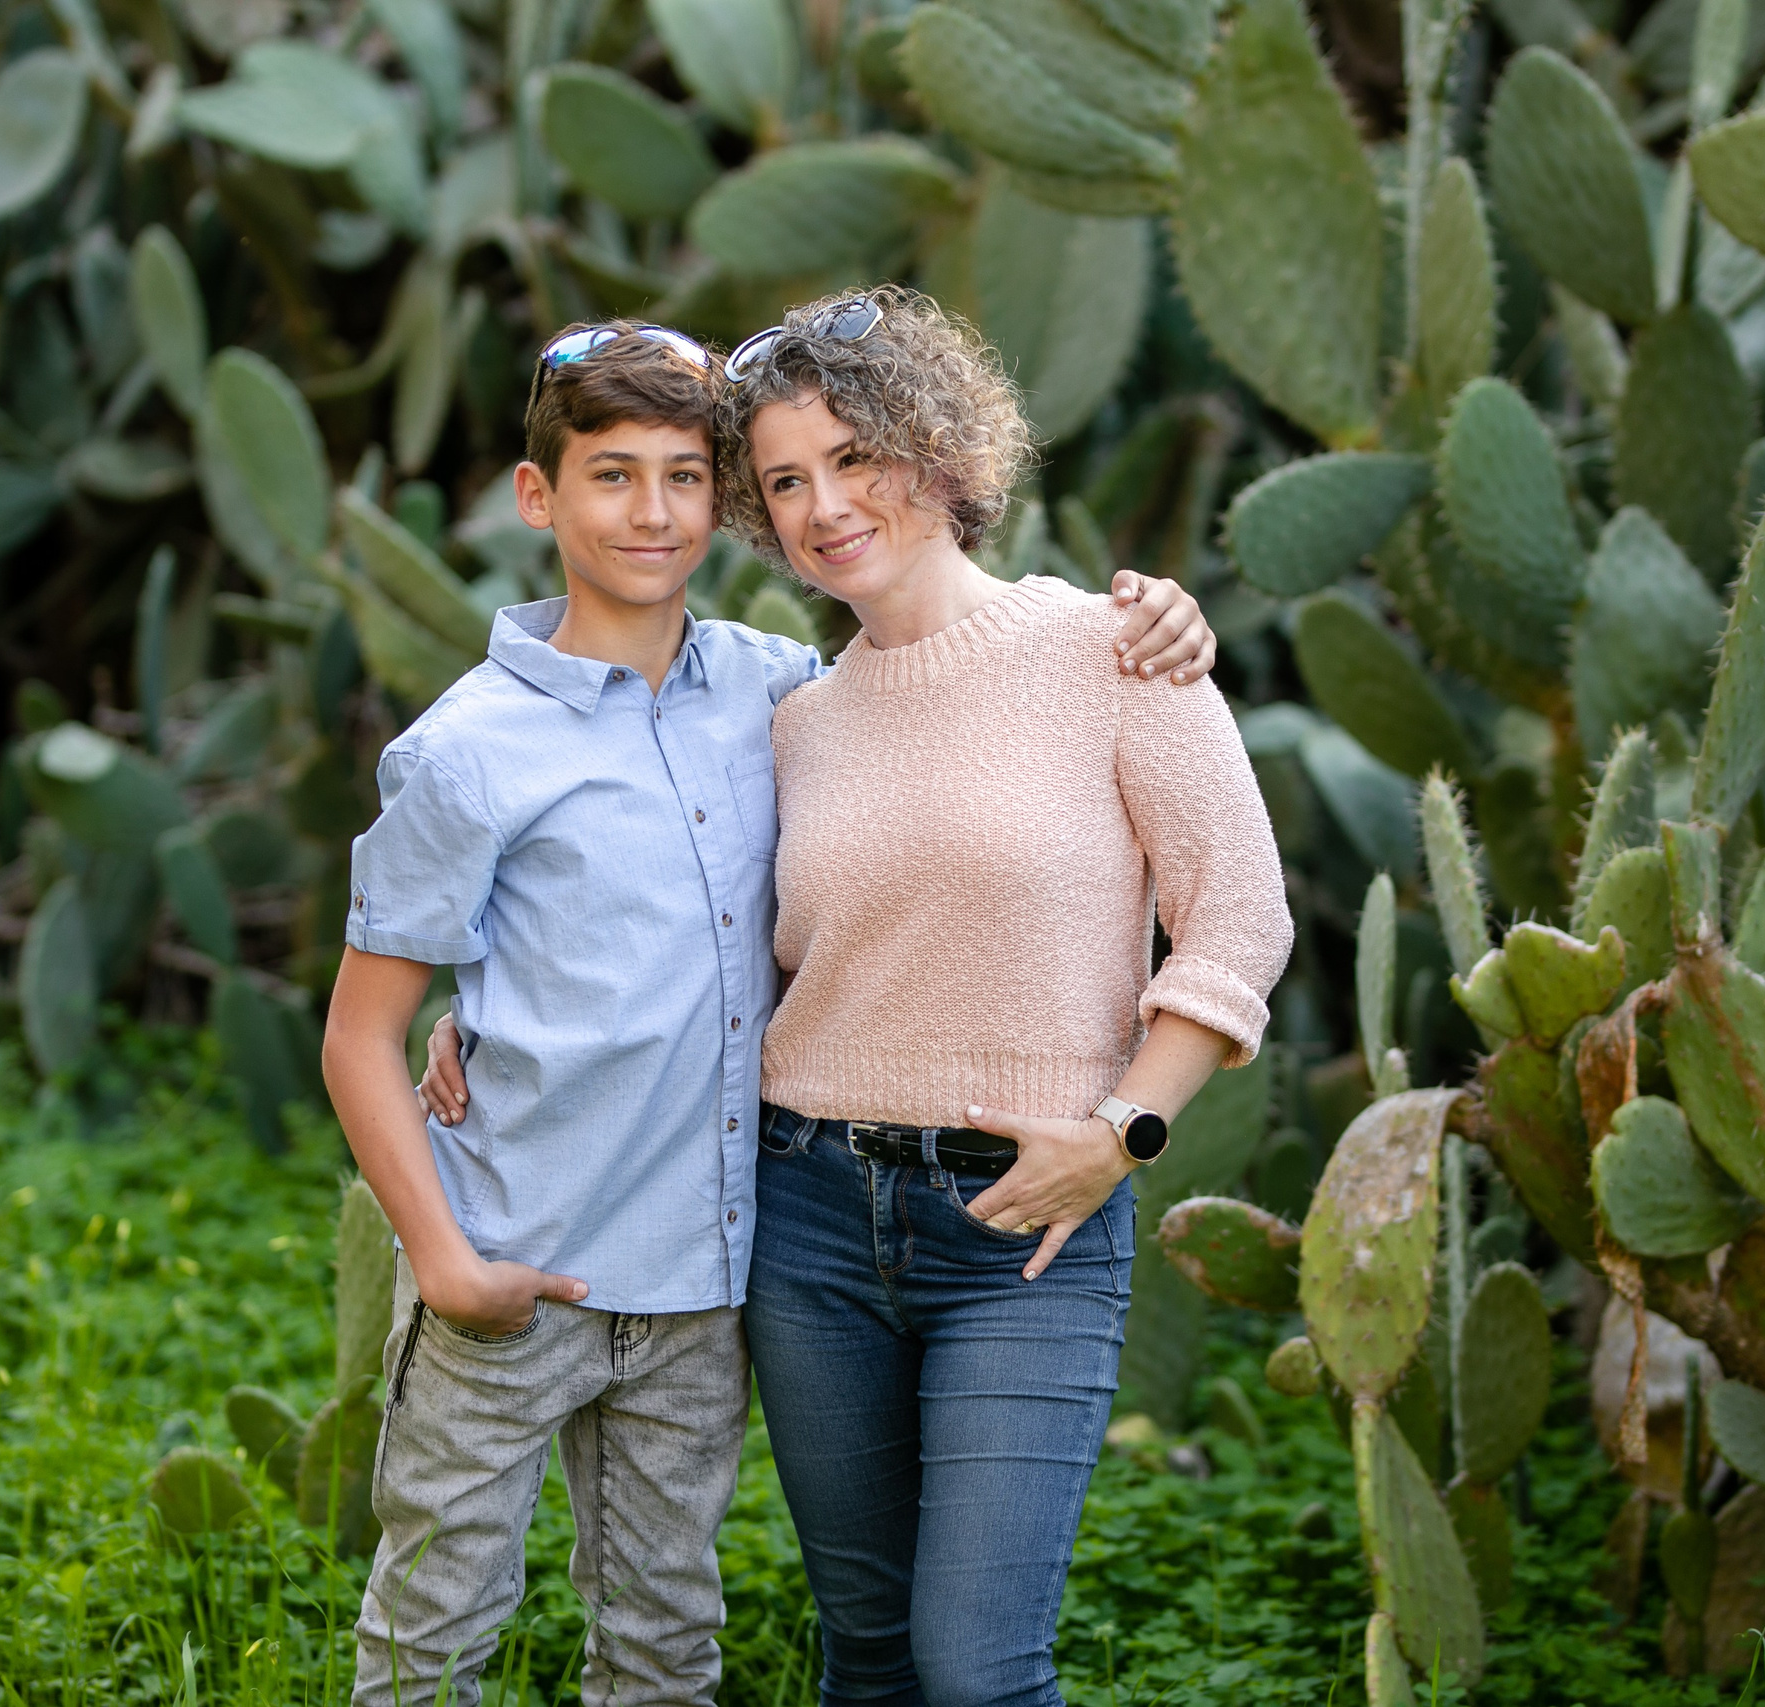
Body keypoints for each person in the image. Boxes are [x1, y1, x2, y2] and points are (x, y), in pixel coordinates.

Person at [323, 319, 1216, 1707]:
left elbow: (863, 882)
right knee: (437, 1625)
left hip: (704, 1283)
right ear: (537, 497)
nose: (655, 511)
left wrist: (1153, 620)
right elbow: (366, 1024)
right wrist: (447, 1229)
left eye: (687, 475)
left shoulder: (778, 692)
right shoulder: (483, 748)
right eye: (611, 476)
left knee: (679, 1643)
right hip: (537, 1258)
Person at [716, 285, 1290, 1707]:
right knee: (867, 1662)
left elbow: (1240, 917)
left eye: (854, 458)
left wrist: (1124, 1133)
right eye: (785, 481)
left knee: (977, 1673)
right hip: (809, 1221)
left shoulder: (1114, 650)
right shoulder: (792, 718)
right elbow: (697, 942)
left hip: (1027, 1232)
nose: (824, 506)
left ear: (937, 445)